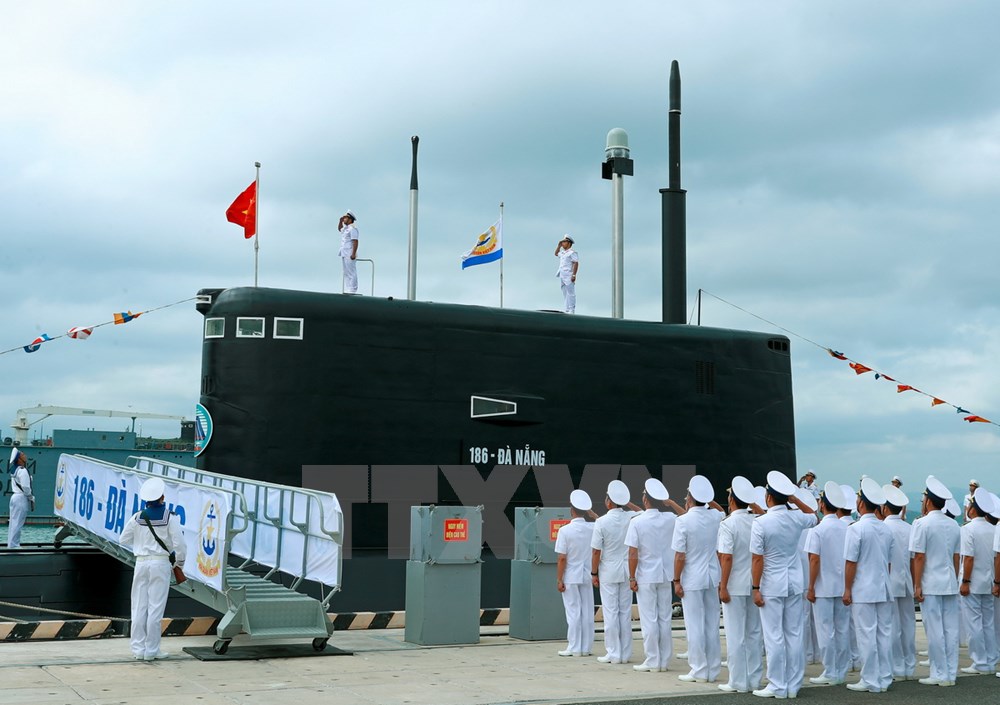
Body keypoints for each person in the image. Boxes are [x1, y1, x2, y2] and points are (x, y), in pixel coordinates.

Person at [749, 470, 818, 700]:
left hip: (771, 584)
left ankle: (777, 685)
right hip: (794, 582)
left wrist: (755, 588)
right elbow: (814, 516)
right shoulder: (796, 517)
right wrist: (795, 499)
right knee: (794, 633)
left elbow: (757, 559)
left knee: (774, 636)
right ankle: (793, 685)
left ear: (768, 497)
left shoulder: (761, 523)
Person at [119, 477, 186, 661]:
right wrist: (179, 564)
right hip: (160, 563)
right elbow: (180, 545)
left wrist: (140, 546)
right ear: (162, 497)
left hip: (141, 562)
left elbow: (122, 539)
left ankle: (137, 650)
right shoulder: (170, 518)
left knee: (138, 606)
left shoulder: (137, 517)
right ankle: (152, 650)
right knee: (155, 608)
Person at [843, 478, 895, 693]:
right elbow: (888, 563)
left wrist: (847, 589)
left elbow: (850, 563)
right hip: (883, 587)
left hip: (864, 588)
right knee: (884, 634)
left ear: (861, 503)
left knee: (866, 635)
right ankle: (884, 677)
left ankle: (870, 680)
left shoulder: (856, 529)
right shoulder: (886, 529)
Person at [672, 475, 725, 683]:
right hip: (713, 576)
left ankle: (699, 670)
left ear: (689, 497)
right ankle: (712, 669)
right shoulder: (715, 517)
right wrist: (708, 498)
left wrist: (676, 580)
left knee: (694, 625)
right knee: (712, 624)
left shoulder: (683, 521)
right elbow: (721, 511)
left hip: (692, 578)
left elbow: (679, 555)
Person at [626, 478, 682, 672]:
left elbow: (633, 553)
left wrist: (631, 577)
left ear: (646, 499)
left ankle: (652, 660)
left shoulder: (637, 522)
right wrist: (671, 503)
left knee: (649, 619)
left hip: (646, 575)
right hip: (666, 574)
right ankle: (664, 661)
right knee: (664, 618)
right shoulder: (671, 519)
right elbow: (686, 517)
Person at [910, 475, 961, 687]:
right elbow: (957, 557)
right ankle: (950, 672)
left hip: (931, 582)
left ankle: (939, 672)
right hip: (949, 581)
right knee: (951, 629)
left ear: (929, 501)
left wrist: (917, 584)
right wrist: (955, 579)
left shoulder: (922, 524)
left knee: (935, 630)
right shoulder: (953, 524)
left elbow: (919, 556)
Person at [717, 475, 765, 693]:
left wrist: (723, 585)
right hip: (755, 582)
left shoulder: (728, 524)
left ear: (731, 499)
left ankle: (737, 681)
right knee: (754, 634)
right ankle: (755, 679)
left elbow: (726, 557)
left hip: (734, 584)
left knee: (736, 635)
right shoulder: (757, 520)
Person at [591, 480, 640, 664]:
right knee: (624, 613)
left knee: (611, 613)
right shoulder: (631, 517)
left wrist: (593, 573)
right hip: (627, 570)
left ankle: (613, 653)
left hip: (609, 571)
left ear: (608, 501)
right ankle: (626, 653)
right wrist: (626, 502)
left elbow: (596, 551)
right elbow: (643, 512)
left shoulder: (601, 521)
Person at [806, 482, 850, 687]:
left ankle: (830, 670)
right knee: (842, 629)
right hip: (842, 585)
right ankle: (841, 669)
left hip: (823, 587)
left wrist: (811, 586)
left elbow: (814, 560)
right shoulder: (847, 527)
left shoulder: (818, 530)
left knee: (826, 631)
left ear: (822, 505)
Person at [959, 487, 997, 674]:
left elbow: (968, 557)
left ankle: (979, 662)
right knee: (988, 623)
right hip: (989, 582)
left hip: (973, 582)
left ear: (973, 509)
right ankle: (990, 660)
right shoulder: (993, 528)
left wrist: (965, 580)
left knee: (973, 624)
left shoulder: (968, 529)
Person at [881, 483, 916, 682]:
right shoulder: (910, 527)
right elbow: (913, 558)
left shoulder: (884, 527)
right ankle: (909, 666)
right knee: (908, 625)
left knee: (891, 626)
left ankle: (896, 667)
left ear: (885, 508)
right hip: (907, 581)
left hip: (889, 582)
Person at [555, 489, 597, 657]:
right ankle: (586, 647)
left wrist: (559, 578)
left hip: (571, 575)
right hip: (587, 574)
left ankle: (574, 647)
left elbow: (562, 559)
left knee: (573, 612)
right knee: (587, 611)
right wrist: (592, 513)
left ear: (572, 510)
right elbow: (603, 522)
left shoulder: (564, 531)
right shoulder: (592, 527)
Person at [7, 448, 33, 548]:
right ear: (19, 459)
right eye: (22, 454)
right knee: (18, 522)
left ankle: (11, 544)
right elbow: (26, 487)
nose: (24, 455)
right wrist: (30, 497)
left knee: (13, 522)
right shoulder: (22, 470)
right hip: (21, 497)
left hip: (15, 497)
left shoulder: (15, 469)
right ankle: (14, 546)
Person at [554, 235, 579, 314]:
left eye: (564, 242)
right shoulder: (563, 253)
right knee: (564, 292)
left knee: (571, 292)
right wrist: (558, 246)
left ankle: (572, 309)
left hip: (569, 274)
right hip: (562, 274)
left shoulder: (572, 253)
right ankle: (567, 308)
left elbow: (576, 263)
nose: (563, 244)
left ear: (569, 243)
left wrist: (574, 275)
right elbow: (556, 253)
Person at [338, 210, 360, 294]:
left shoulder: (352, 229)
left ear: (350, 219)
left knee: (351, 271)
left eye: (345, 218)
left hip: (350, 252)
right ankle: (348, 288)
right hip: (344, 252)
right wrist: (340, 221)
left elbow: (355, 241)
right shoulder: (346, 229)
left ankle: (353, 289)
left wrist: (353, 253)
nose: (344, 219)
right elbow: (339, 229)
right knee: (346, 271)